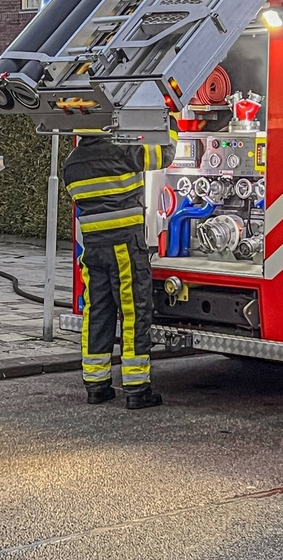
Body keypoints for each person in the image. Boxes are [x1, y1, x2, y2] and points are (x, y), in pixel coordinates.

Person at [62, 125, 176, 409]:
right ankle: (137, 388)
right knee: (133, 312)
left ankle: (96, 385)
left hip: (93, 247)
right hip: (125, 244)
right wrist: (170, 121)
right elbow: (164, 154)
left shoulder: (72, 163)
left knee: (98, 311)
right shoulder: (123, 150)